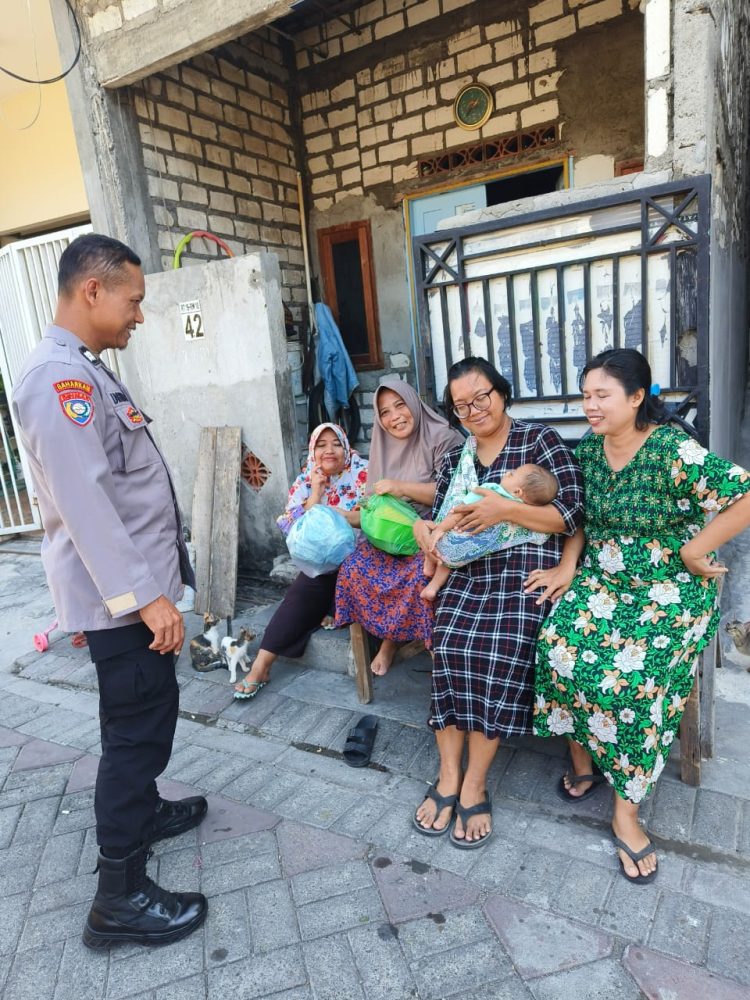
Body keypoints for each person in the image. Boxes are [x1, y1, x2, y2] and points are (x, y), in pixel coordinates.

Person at [11, 234, 207, 948]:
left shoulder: (84, 370)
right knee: (136, 732)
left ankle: (143, 812)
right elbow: (86, 503)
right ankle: (118, 898)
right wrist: (147, 598)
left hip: (129, 595)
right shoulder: (55, 380)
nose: (140, 316)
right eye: (134, 300)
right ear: (93, 290)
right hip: (122, 602)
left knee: (142, 715)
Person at [531, 348, 750, 883]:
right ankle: (583, 763)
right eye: (586, 395)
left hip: (669, 586)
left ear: (635, 398)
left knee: (632, 681)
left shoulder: (672, 450)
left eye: (601, 395)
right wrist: (567, 565)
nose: (590, 405)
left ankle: (626, 812)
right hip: (603, 578)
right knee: (557, 646)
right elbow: (579, 516)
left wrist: (696, 549)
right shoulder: (589, 449)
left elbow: (743, 495)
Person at [412, 357, 583, 847]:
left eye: (481, 397)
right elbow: (439, 515)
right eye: (461, 405)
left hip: (524, 566)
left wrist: (504, 510)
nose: (473, 410)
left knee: (497, 648)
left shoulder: (539, 441)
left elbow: (570, 512)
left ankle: (475, 782)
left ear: (502, 393)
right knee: (449, 644)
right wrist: (423, 529)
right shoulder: (455, 458)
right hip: (466, 568)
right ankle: (448, 774)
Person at [334, 376, 463, 675]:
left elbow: (452, 493)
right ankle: (388, 639)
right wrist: (346, 516)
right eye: (385, 412)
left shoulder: (444, 437)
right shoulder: (384, 445)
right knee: (353, 567)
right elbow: (377, 507)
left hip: (435, 532)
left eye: (400, 405)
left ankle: (424, 651)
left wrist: (400, 487)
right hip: (392, 538)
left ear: (414, 403)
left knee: (419, 576)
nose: (394, 417)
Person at [233, 422, 367, 699]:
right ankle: (261, 667)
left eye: (336, 444)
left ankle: (334, 608)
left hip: (358, 560)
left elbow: (371, 519)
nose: (329, 450)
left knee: (344, 576)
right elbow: (291, 529)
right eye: (321, 445)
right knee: (301, 594)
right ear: (312, 450)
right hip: (319, 567)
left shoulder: (363, 474)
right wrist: (316, 493)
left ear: (346, 448)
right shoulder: (306, 480)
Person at [421, 462, 559, 601]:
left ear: (517, 492)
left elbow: (460, 511)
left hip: (459, 534)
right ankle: (433, 587)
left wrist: (441, 528)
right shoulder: (527, 515)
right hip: (470, 553)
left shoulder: (491, 491)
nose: (507, 473)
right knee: (451, 560)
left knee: (440, 543)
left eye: (512, 474)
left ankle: (429, 566)